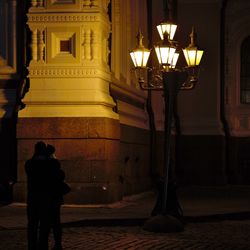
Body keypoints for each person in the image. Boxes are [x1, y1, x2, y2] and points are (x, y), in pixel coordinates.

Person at [25, 141, 65, 250]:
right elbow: (61, 174)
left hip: (33, 199)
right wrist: (51, 156)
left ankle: (32, 246)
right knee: (44, 225)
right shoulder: (51, 163)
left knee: (32, 224)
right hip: (46, 199)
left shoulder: (29, 163)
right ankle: (43, 246)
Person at [46, 144, 65, 250]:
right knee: (56, 222)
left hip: (45, 197)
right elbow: (61, 175)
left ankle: (44, 243)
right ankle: (58, 243)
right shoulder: (54, 163)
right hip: (55, 197)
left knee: (47, 222)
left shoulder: (43, 163)